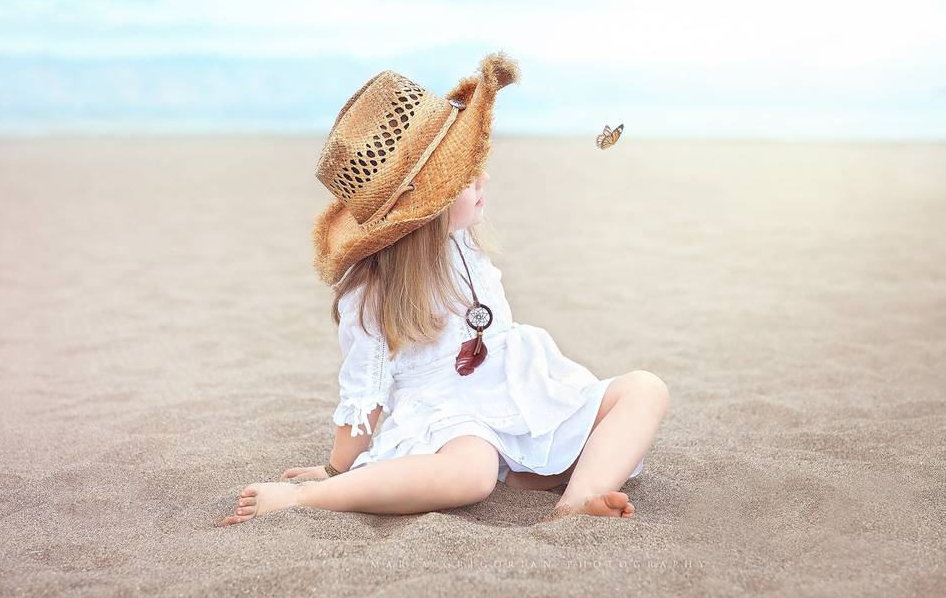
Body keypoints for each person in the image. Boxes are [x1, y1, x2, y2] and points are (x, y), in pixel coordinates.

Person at [220, 51, 669, 527]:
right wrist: (334, 468)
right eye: (465, 176)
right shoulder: (374, 294)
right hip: (449, 414)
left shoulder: (465, 246)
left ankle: (579, 498)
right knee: (471, 474)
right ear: (426, 207)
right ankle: (310, 498)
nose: (484, 178)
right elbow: (365, 394)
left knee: (645, 390)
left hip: (515, 385)